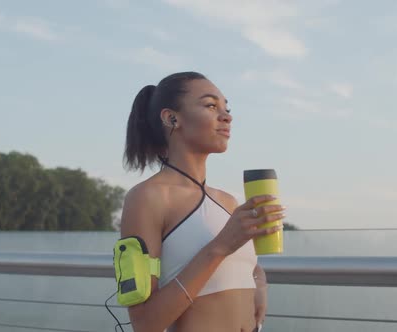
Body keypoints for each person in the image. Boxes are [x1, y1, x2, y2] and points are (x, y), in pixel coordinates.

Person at [121, 71, 285, 332]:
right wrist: (220, 246)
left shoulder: (229, 201)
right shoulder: (147, 198)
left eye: (226, 108)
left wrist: (259, 281)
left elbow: (240, 267)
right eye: (211, 105)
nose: (227, 116)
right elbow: (145, 323)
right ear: (172, 118)